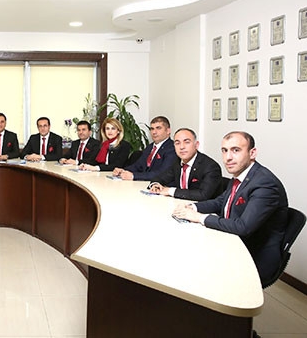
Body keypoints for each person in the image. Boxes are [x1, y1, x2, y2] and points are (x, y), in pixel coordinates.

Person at [173, 131, 288, 285]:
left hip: (253, 254)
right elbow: (221, 202)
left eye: (236, 150)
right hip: (233, 241)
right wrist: (192, 206)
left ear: (252, 153)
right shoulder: (242, 175)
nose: (228, 157)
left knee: (191, 263)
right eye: (224, 150)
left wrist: (199, 217)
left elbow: (243, 227)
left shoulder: (265, 184)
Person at [148, 128, 223, 201]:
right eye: (177, 143)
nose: (182, 147)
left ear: (196, 145)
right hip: (180, 204)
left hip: (202, 207)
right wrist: (155, 185)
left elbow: (203, 195)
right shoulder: (177, 162)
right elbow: (160, 178)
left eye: (187, 142)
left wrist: (170, 191)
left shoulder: (210, 167)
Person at [113, 115, 176, 181]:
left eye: (158, 128)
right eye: (152, 129)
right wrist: (122, 171)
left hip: (161, 185)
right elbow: (138, 166)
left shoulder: (172, 148)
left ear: (168, 131)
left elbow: (162, 173)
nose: (154, 132)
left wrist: (134, 176)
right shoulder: (150, 147)